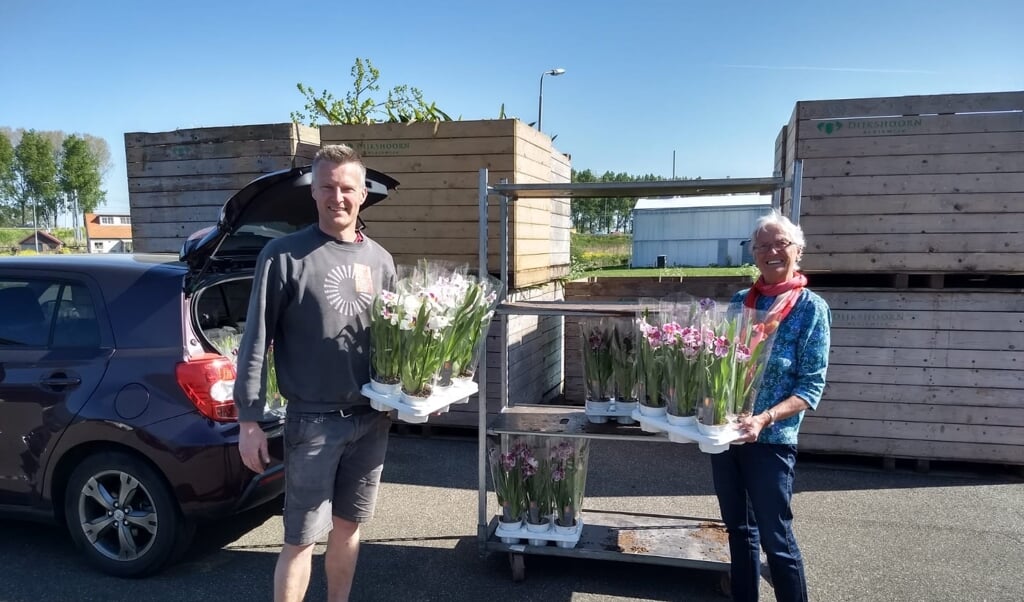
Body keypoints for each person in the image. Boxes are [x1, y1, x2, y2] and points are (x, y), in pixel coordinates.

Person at [234, 144, 396, 602]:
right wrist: (248, 420)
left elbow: (397, 342)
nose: (337, 197)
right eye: (327, 186)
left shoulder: (382, 261)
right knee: (300, 538)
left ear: (363, 194)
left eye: (347, 188)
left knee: (348, 527)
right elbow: (255, 339)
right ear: (313, 191)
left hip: (371, 419)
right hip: (313, 422)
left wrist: (418, 390)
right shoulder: (284, 256)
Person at [710, 210, 831, 602]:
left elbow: (811, 386)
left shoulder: (811, 308)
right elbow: (723, 361)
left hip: (772, 440)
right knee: (739, 531)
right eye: (762, 245)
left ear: (798, 251)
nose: (771, 252)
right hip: (729, 435)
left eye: (781, 244)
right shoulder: (741, 301)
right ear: (754, 254)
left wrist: (765, 418)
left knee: (775, 538)